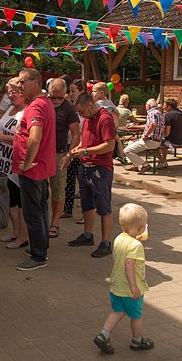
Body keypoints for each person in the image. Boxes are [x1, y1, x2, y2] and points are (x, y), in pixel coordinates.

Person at [93, 203, 154, 355]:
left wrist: (136, 238)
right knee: (136, 316)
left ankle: (103, 335)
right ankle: (137, 341)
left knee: (117, 311)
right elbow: (129, 265)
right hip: (129, 289)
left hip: (116, 286)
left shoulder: (119, 238)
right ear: (140, 228)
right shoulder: (136, 246)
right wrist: (134, 287)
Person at [13, 68, 56, 271]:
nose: (19, 86)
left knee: (32, 213)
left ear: (36, 82)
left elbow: (35, 137)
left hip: (33, 169)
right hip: (42, 168)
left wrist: (28, 161)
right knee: (41, 209)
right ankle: (41, 246)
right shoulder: (44, 103)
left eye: (23, 82)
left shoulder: (36, 107)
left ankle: (39, 256)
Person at [67, 94, 116, 258]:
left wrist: (87, 151)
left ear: (90, 105)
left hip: (100, 168)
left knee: (104, 206)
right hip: (86, 165)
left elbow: (109, 145)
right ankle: (88, 235)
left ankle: (106, 242)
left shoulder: (105, 118)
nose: (81, 116)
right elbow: (86, 141)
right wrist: (78, 149)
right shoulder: (88, 119)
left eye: (82, 112)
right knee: (87, 204)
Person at [0, 78, 29, 249]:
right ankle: (15, 232)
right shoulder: (11, 109)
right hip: (3, 162)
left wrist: (2, 138)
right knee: (12, 200)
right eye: (9, 92)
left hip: (17, 164)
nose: (11, 95)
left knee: (20, 201)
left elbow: (26, 138)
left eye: (14, 92)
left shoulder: (27, 112)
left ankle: (23, 236)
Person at [48, 79, 80, 239]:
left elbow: (76, 134)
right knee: (40, 190)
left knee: (58, 190)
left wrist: (69, 155)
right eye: (53, 97)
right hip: (42, 153)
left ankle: (55, 223)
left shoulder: (68, 108)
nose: (56, 101)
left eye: (60, 98)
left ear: (65, 94)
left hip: (59, 153)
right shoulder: (43, 103)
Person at [123, 99, 165, 174]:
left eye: (146, 105)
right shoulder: (159, 113)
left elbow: (153, 124)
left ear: (148, 106)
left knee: (126, 150)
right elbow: (148, 125)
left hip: (150, 140)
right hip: (157, 141)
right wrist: (136, 127)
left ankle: (145, 165)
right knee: (130, 142)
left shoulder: (152, 113)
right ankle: (135, 165)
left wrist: (145, 135)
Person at [64, 79, 85, 219]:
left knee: (83, 181)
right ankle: (67, 209)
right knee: (69, 179)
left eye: (73, 91)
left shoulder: (84, 110)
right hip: (70, 146)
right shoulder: (69, 108)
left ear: (81, 92)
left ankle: (86, 212)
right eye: (69, 91)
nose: (71, 94)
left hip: (82, 148)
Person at [91, 82, 126, 164]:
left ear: (101, 93)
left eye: (94, 91)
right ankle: (121, 155)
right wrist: (116, 121)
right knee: (115, 139)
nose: (92, 93)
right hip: (110, 125)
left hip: (101, 126)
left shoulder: (97, 103)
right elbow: (117, 112)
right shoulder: (109, 102)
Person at [157, 98, 182, 169]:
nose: (163, 107)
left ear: (169, 106)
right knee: (163, 141)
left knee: (154, 143)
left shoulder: (168, 115)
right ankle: (163, 162)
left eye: (164, 105)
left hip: (172, 143)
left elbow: (167, 133)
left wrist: (159, 136)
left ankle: (162, 161)